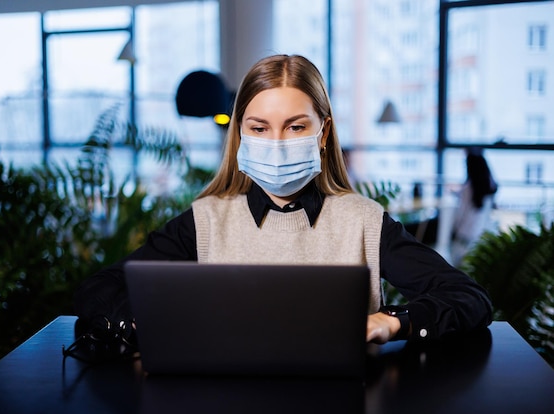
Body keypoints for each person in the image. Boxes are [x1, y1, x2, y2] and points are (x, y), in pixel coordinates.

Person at [74, 54, 492, 347]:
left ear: (322, 134)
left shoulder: (364, 222)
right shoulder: (204, 221)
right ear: (241, 133)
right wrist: (148, 325)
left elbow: (468, 298)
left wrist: (390, 321)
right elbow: (100, 290)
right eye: (259, 127)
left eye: (295, 127)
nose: (276, 143)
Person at [451, 147, 498, 267]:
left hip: (466, 233)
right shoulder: (490, 187)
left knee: (458, 263)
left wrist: (454, 227)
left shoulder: (469, 189)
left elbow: (461, 213)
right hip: (481, 231)